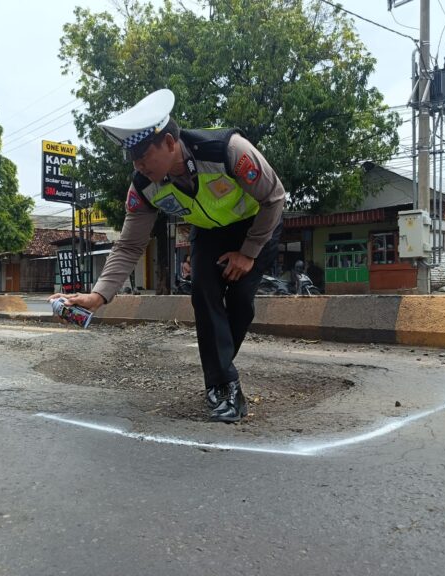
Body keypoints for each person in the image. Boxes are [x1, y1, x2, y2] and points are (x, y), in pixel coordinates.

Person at [50, 89, 285, 423]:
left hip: (258, 224)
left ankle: (218, 371)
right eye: (132, 157)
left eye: (144, 153)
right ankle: (223, 385)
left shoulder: (228, 152)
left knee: (241, 303)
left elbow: (274, 198)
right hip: (210, 233)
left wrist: (248, 253)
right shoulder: (144, 187)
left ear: (171, 142)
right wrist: (98, 295)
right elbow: (130, 245)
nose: (138, 164)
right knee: (204, 295)